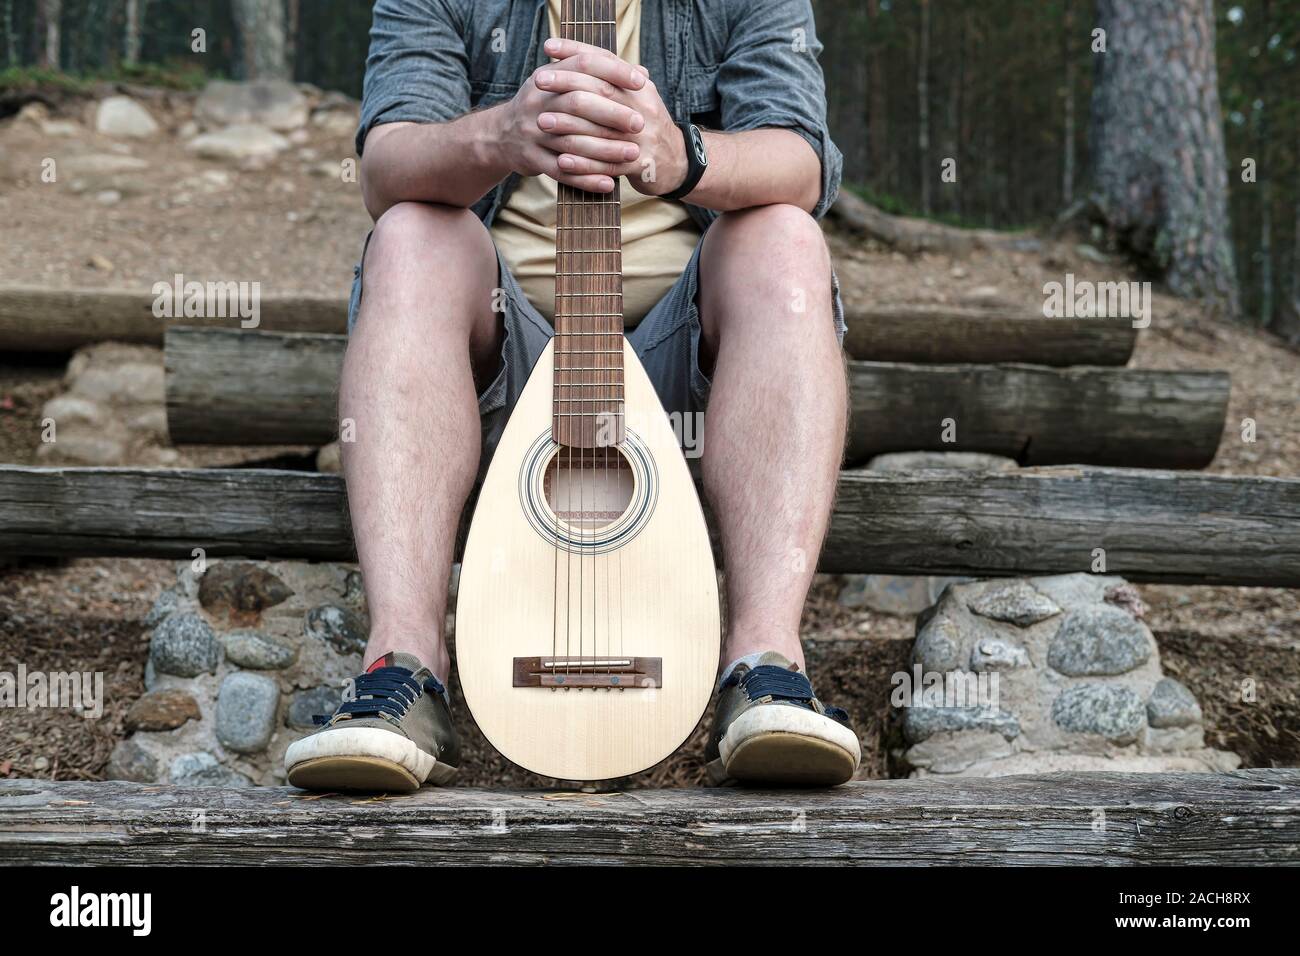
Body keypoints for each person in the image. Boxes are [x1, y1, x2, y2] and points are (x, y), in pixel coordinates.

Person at [284, 0, 860, 792]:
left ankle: (764, 668)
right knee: (411, 234)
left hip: (683, 364)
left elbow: (801, 160)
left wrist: (679, 154)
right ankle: (404, 670)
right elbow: (386, 166)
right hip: (497, 357)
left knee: (786, 239)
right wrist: (500, 135)